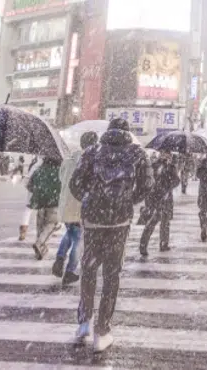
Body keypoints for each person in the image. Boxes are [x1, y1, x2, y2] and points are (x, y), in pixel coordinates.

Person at [69, 116, 152, 353]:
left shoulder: (91, 151)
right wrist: (127, 201)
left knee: (88, 269)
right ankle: (102, 330)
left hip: (93, 219)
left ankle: (84, 321)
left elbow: (75, 184)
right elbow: (147, 185)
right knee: (112, 275)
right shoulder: (138, 153)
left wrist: (90, 199)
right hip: (119, 222)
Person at [53, 131, 98, 285]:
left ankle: (60, 258)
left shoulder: (68, 159)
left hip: (65, 203)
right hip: (79, 204)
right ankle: (70, 271)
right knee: (79, 239)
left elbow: (61, 178)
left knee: (71, 232)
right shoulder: (91, 161)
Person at [140, 148, 180, 258]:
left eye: (168, 154)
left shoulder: (171, 167)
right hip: (156, 197)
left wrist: (171, 171)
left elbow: (176, 181)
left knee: (165, 222)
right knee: (153, 221)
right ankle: (143, 244)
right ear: (160, 154)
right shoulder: (154, 165)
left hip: (166, 197)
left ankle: (164, 243)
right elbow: (149, 180)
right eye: (164, 153)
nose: (166, 156)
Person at [27, 156, 63, 259]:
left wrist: (39, 190)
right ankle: (40, 243)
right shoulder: (60, 172)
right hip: (54, 202)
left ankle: (40, 250)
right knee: (52, 224)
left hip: (39, 202)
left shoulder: (39, 170)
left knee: (40, 225)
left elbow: (29, 186)